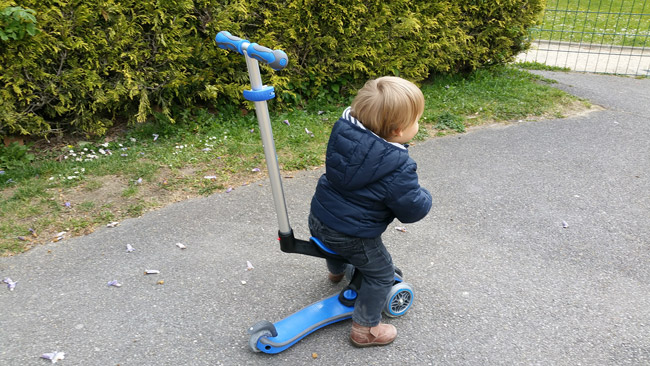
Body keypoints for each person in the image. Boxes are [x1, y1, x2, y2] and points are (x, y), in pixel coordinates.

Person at [309, 76, 432, 347]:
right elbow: (412, 209)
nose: (418, 125)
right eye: (417, 120)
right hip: (351, 234)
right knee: (382, 272)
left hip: (319, 217)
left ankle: (336, 271)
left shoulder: (345, 135)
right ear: (399, 130)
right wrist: (425, 197)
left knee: (337, 245)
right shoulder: (397, 166)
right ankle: (365, 330)